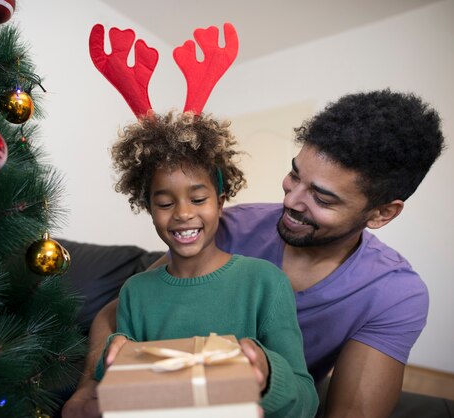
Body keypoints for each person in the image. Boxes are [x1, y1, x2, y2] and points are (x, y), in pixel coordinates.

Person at [62, 89, 445, 418]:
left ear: (382, 213)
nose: (290, 201)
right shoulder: (232, 225)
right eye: (295, 175)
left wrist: (265, 375)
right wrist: (88, 388)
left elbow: (349, 410)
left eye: (322, 197)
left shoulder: (394, 294)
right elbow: (119, 311)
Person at [94, 110, 318, 417]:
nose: (183, 213)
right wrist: (114, 356)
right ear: (148, 208)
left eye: (198, 199)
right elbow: (126, 396)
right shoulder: (136, 291)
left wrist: (267, 374)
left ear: (221, 202)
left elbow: (305, 401)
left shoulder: (264, 282)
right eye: (164, 203)